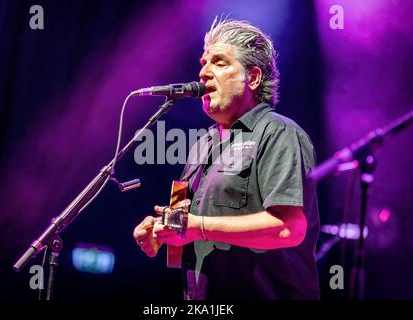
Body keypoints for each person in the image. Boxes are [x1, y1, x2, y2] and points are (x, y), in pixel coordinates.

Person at [133, 18, 320, 300]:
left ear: (253, 78)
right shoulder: (201, 145)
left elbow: (288, 229)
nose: (204, 73)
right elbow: (187, 227)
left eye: (219, 63)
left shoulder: (279, 133)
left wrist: (201, 227)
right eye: (203, 64)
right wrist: (163, 234)